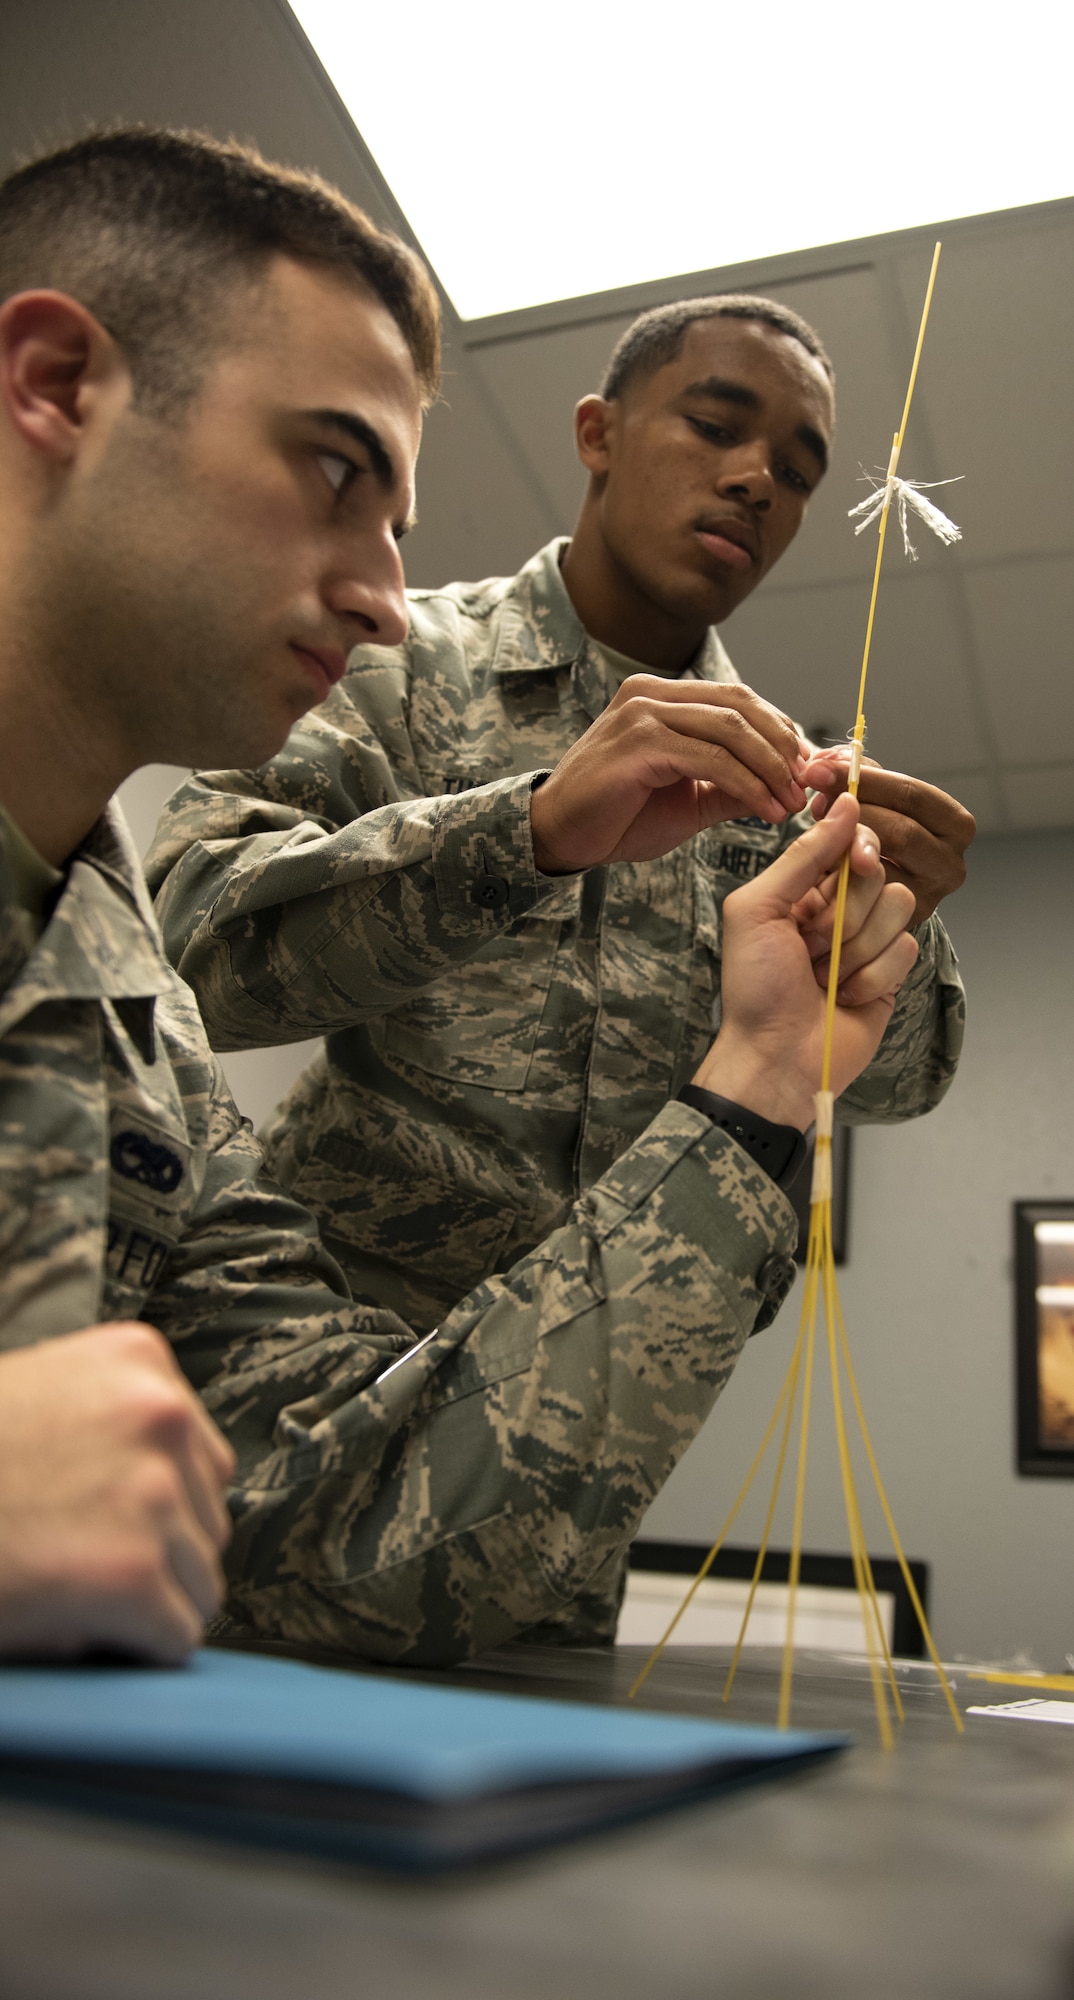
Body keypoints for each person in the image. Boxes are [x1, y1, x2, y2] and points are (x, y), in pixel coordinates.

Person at [0, 125, 915, 1667]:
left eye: (394, 525)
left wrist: (765, 1078)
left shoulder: (117, 1010)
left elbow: (349, 1522)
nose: (373, 589)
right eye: (333, 468)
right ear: (54, 385)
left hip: (491, 1540)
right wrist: (527, 831)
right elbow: (228, 925)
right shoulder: (404, 685)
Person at [147, 297, 974, 1342]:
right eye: (716, 426)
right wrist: (524, 833)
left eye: (798, 473)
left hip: (593, 1400)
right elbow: (182, 952)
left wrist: (892, 925)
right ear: (599, 433)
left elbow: (903, 1084)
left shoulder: (785, 793)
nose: (758, 479)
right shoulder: (393, 662)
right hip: (305, 1347)